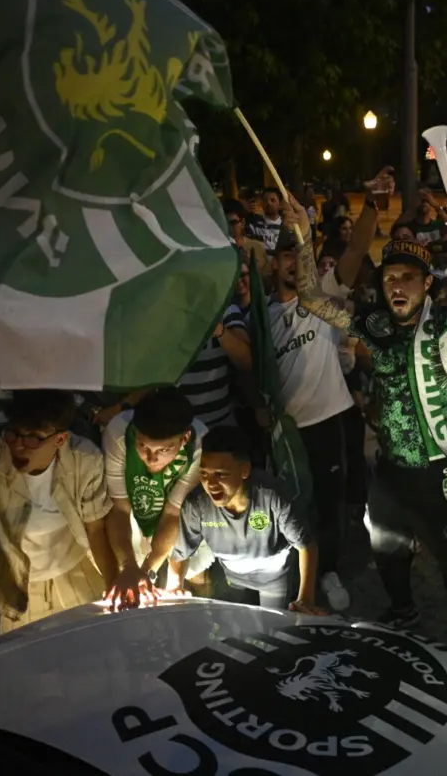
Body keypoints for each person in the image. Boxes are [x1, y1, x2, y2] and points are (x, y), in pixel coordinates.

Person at [291, 183, 447, 666]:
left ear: (427, 283)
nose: (397, 287)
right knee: (386, 553)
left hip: (441, 473)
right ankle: (403, 611)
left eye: (409, 277)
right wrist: (304, 238)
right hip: (388, 471)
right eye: (390, 279)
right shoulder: (375, 324)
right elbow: (310, 298)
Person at [0, 391, 116, 634]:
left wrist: (114, 585)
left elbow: (95, 528)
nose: (19, 446)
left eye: (34, 438)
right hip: (18, 583)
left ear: (60, 439)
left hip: (76, 572)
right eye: (13, 434)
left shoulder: (84, 459)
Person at [263, 226, 357, 611]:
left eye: (297, 254)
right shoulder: (261, 313)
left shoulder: (322, 300)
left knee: (329, 503)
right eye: (284, 254)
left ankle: (329, 571)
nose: (291, 262)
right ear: (273, 262)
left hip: (326, 421)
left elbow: (354, 257)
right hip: (284, 430)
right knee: (289, 506)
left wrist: (371, 205)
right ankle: (294, 573)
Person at [169, 427, 324, 614]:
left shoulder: (272, 496)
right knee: (233, 628)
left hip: (273, 577)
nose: (211, 483)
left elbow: (306, 545)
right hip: (231, 576)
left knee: (271, 626)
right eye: (204, 474)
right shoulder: (197, 505)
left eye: (220, 474)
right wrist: (174, 586)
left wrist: (305, 599)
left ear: (244, 471)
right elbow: (180, 553)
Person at [102, 388, 205, 609]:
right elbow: (119, 508)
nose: (151, 458)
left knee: (189, 576)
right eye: (142, 446)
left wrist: (147, 571)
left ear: (184, 438)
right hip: (132, 520)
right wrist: (129, 565)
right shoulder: (118, 432)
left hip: (175, 520)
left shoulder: (198, 444)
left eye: (164, 450)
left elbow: (173, 512)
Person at [175, 303, 251, 431]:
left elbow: (247, 362)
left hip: (221, 425)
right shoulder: (163, 312)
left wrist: (218, 330)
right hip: (176, 430)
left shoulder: (225, 309)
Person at [244, 187, 284, 254]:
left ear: (280, 204)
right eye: (265, 200)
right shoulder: (254, 223)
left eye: (273, 200)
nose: (269, 203)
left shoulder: (286, 225)